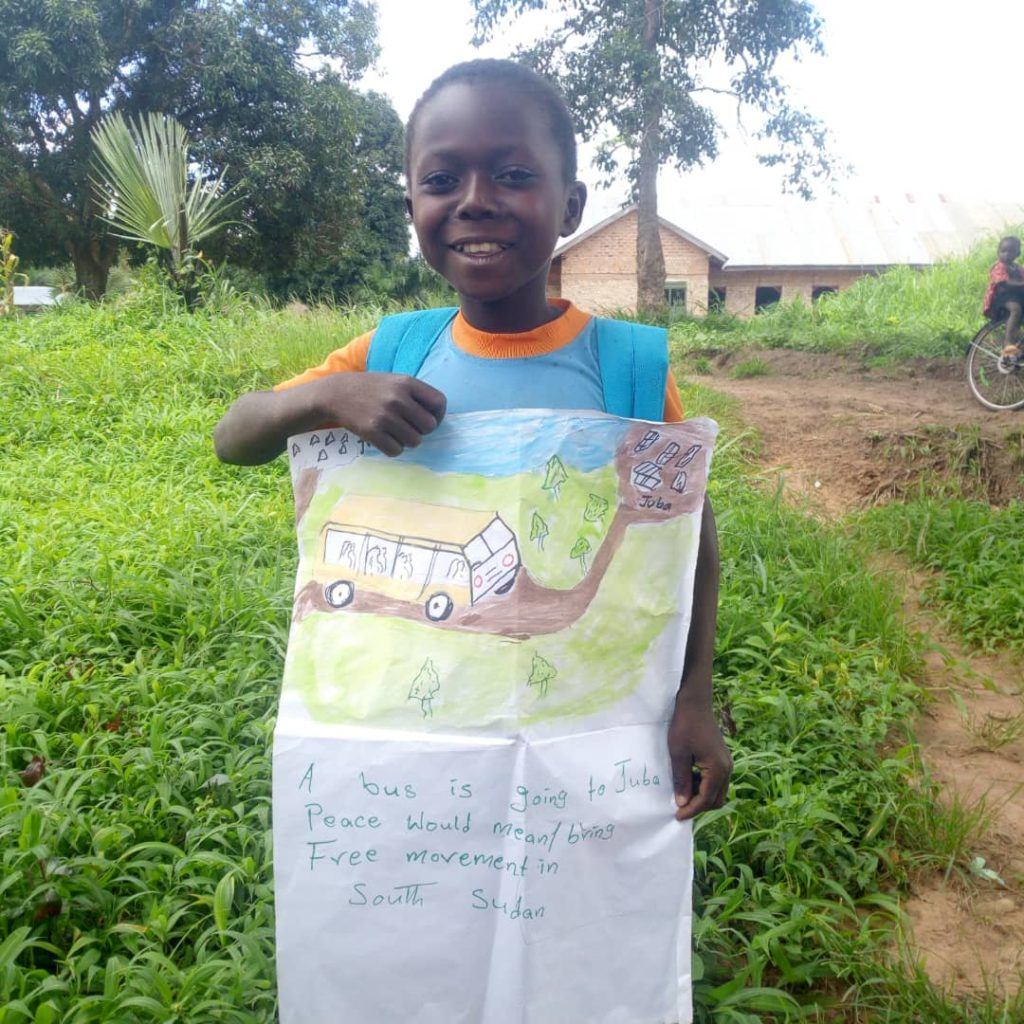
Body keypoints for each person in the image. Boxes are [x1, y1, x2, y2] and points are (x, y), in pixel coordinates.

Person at [214, 59, 732, 821]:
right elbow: (234, 438)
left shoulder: (626, 369)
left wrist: (695, 697)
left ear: (570, 205)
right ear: (412, 205)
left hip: (584, 759)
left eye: (514, 174)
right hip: (410, 763)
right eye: (442, 180)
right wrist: (327, 395)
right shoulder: (384, 357)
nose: (475, 203)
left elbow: (691, 537)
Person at [983, 235, 1024, 360]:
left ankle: (1018, 343)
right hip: (1001, 299)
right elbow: (1004, 282)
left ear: (1017, 254)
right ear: (998, 252)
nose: (1006, 255)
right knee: (1016, 309)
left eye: (1010, 252)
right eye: (1003, 251)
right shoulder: (998, 267)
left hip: (1016, 297)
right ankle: (1008, 344)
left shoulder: (1018, 268)